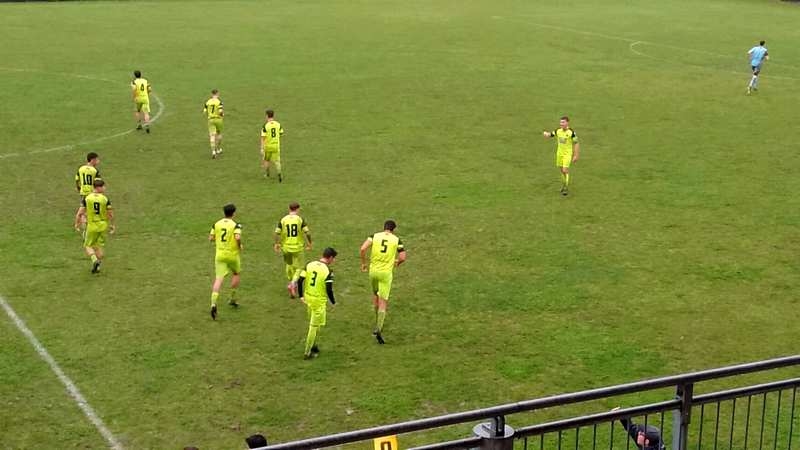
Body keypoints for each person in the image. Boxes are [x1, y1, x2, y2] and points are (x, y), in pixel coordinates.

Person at [359, 220, 406, 344]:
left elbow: (363, 249)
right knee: (383, 301)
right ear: (393, 229)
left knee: (375, 295)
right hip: (385, 274)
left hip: (373, 272)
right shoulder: (396, 240)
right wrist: (398, 262)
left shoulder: (374, 236)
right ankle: (379, 329)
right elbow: (402, 257)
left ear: (384, 227)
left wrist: (363, 264)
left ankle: (376, 324)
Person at [297, 248, 337, 359]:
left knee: (315, 323)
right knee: (314, 326)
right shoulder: (328, 271)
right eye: (333, 259)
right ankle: (307, 352)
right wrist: (333, 302)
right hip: (318, 301)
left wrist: (300, 295)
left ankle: (313, 345)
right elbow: (329, 289)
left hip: (308, 298)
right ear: (330, 257)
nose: (333, 261)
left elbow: (300, 280)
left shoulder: (310, 265)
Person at [208, 203, 242, 320]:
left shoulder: (216, 224)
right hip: (232, 255)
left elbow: (211, 238)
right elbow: (237, 237)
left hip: (220, 255)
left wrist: (218, 240)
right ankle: (232, 298)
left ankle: (213, 303)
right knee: (236, 273)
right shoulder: (236, 225)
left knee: (218, 279)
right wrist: (239, 245)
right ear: (234, 213)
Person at [74, 179, 115, 274]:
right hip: (103, 225)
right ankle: (98, 266)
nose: (105, 188)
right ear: (99, 187)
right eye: (104, 186)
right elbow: (111, 214)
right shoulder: (105, 199)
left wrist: (77, 223)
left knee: (87, 245)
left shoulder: (87, 198)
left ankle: (94, 260)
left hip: (92, 225)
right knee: (98, 246)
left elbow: (80, 213)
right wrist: (112, 225)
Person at [274, 202, 312, 298]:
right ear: (298, 209)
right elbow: (307, 232)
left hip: (286, 247)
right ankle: (293, 283)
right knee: (300, 267)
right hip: (297, 247)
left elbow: (277, 233)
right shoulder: (300, 219)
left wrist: (277, 244)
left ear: (289, 209)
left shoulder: (283, 219)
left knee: (289, 264)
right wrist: (309, 243)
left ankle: (291, 282)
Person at [543, 116, 580, 196]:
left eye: (563, 122)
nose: (561, 124)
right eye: (560, 122)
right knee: (561, 171)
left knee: (565, 170)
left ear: (567, 123)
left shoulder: (571, 133)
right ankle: (563, 185)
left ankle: (565, 188)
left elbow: (576, 143)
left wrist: (576, 155)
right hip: (559, 153)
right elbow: (551, 135)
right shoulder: (558, 131)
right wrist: (546, 134)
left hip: (567, 154)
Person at [74, 152, 101, 228]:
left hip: (83, 192)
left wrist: (78, 188)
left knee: (84, 208)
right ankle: (83, 225)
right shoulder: (95, 170)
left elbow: (77, 180)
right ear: (92, 160)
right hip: (91, 193)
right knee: (87, 210)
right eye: (97, 160)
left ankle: (83, 226)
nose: (98, 161)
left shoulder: (81, 169)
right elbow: (98, 183)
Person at [260, 109, 284, 181]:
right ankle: (279, 174)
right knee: (277, 161)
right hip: (276, 145)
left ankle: (267, 174)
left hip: (268, 146)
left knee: (266, 160)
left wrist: (262, 148)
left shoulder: (265, 125)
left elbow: (263, 137)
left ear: (267, 116)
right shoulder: (278, 124)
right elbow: (281, 133)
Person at [204, 89, 224, 158]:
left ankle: (213, 151)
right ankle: (218, 149)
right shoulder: (219, 102)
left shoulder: (207, 102)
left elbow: (205, 111)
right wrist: (222, 115)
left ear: (211, 94)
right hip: (218, 120)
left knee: (212, 135)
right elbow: (220, 111)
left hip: (211, 120)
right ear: (217, 94)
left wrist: (209, 115)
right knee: (219, 134)